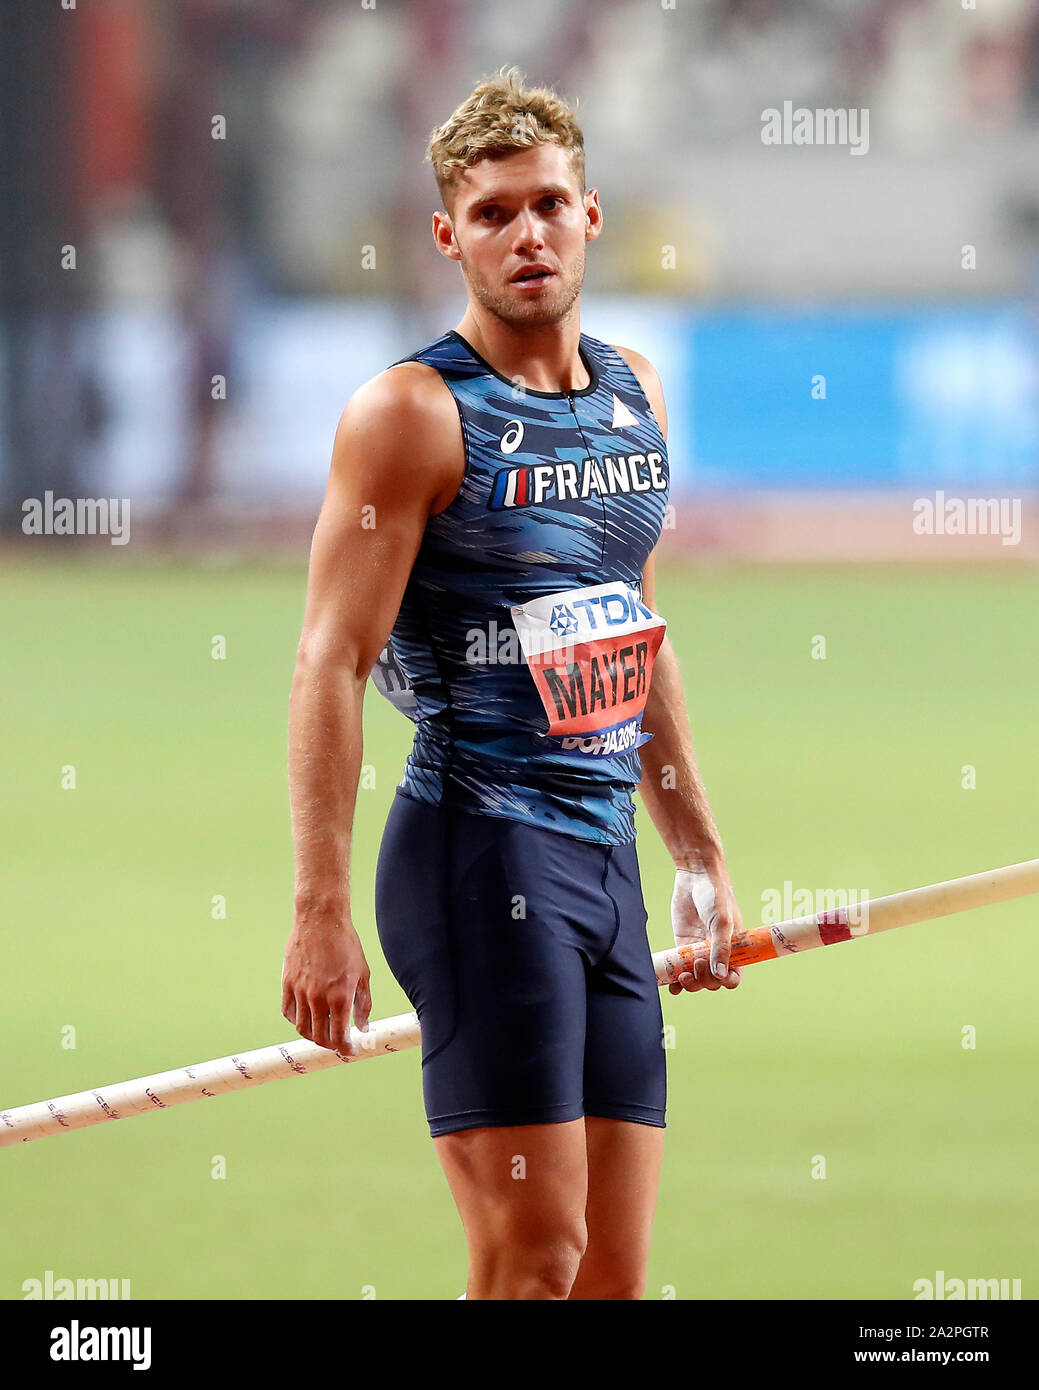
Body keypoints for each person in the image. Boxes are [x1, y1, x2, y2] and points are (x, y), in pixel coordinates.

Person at [281, 66, 743, 1301]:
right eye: (491, 214)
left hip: (603, 866)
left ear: (592, 214)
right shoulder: (413, 415)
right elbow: (331, 658)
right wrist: (317, 905)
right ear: (447, 236)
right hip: (479, 856)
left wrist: (694, 854)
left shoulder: (634, 394)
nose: (525, 233)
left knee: (610, 1281)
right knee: (534, 1260)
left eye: (547, 204)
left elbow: (634, 626)